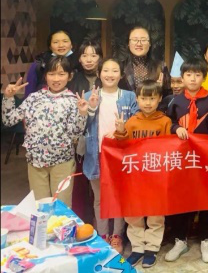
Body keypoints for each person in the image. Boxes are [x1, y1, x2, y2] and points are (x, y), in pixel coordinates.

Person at [2, 56, 88, 205]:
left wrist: (82, 113)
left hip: (62, 161)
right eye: (51, 74)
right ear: (45, 76)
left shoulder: (73, 100)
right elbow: (9, 120)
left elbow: (75, 133)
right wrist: (8, 97)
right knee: (40, 206)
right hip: (35, 161)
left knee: (61, 206)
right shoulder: (34, 98)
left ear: (69, 76)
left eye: (61, 74)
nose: (56, 79)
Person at [165, 58, 208, 265]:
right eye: (188, 74)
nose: (193, 78)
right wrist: (175, 128)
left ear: (204, 77)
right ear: (182, 77)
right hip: (183, 160)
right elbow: (168, 122)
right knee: (182, 199)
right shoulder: (176, 100)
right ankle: (180, 240)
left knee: (206, 199)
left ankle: (206, 240)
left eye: (197, 75)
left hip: (206, 159)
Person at [83, 57, 138, 255]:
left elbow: (136, 121)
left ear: (121, 75)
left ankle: (117, 235)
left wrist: (120, 130)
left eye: (115, 71)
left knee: (118, 197)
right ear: (99, 73)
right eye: (106, 70)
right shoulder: (90, 95)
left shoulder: (129, 96)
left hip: (121, 155)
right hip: (96, 154)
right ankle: (102, 235)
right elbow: (81, 126)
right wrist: (89, 109)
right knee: (99, 198)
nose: (110, 74)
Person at [115, 80, 172, 268]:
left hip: (156, 177)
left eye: (152, 98)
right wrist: (121, 131)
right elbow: (122, 147)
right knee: (133, 213)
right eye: (143, 98)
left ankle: (151, 248)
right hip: (135, 177)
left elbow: (170, 148)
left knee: (156, 214)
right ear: (137, 99)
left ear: (159, 99)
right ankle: (137, 247)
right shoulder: (132, 121)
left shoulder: (165, 122)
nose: (148, 103)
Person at [68, 39, 102, 225]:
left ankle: (102, 224)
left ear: (100, 58)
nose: (89, 60)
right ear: (79, 58)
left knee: (100, 185)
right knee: (80, 184)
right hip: (80, 139)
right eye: (84, 55)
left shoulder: (107, 76)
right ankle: (83, 222)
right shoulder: (73, 80)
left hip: (102, 138)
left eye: (93, 55)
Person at [119, 26, 171, 97]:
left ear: (150, 43)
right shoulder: (120, 66)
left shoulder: (160, 66)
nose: (139, 44)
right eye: (135, 40)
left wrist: (159, 89)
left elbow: (168, 95)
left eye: (143, 40)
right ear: (128, 43)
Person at [25, 29, 78, 97]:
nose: (61, 45)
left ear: (71, 45)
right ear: (50, 46)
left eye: (65, 41)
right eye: (56, 42)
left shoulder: (79, 64)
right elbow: (29, 91)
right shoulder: (40, 64)